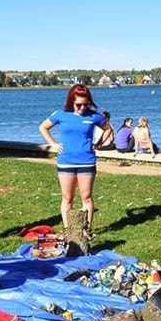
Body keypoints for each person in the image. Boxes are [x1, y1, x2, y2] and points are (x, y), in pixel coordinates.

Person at [38, 84, 105, 238]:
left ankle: (87, 230)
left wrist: (99, 144)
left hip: (87, 161)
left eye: (85, 104)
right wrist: (53, 144)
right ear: (71, 101)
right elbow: (43, 127)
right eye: (78, 104)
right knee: (67, 198)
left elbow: (108, 129)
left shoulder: (94, 116)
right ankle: (68, 230)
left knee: (86, 197)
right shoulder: (61, 114)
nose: (82, 108)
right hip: (66, 162)